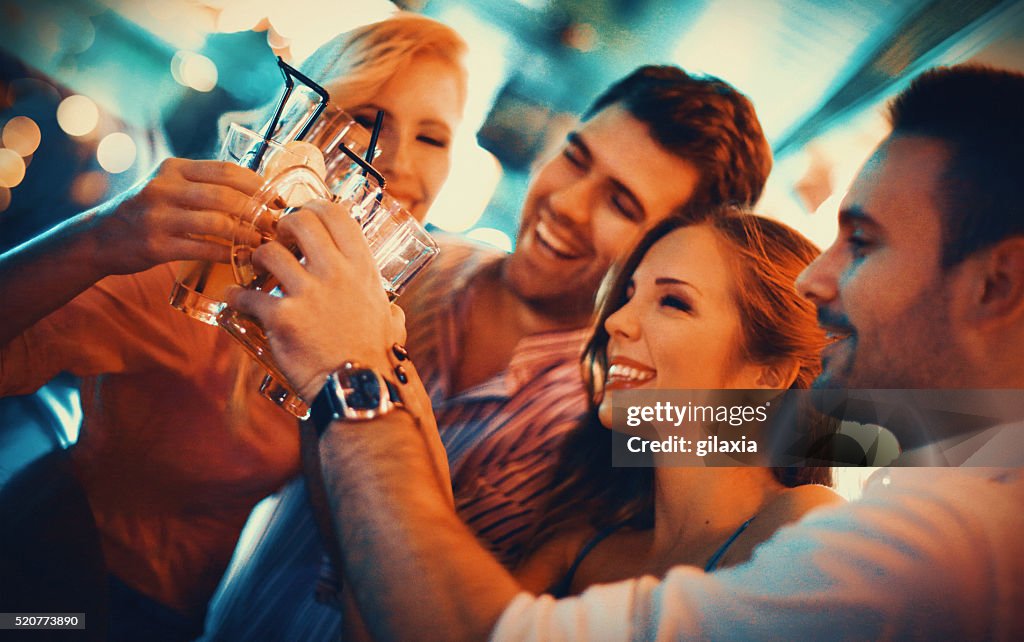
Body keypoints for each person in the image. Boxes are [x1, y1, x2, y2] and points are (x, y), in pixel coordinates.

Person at [227, 63, 1024, 640]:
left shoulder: (904, 546)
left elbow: (472, 628)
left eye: (863, 240)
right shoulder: (612, 488)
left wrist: (356, 376)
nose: (822, 277)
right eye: (576, 156)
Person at [206, 64, 775, 640]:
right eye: (576, 158)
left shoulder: (618, 427)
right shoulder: (406, 266)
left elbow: (852, 429)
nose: (568, 205)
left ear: (667, 248)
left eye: (621, 203)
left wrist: (346, 378)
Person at [0, 12, 468, 640]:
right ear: (310, 127)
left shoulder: (378, 315)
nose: (400, 163)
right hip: (62, 597)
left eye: (432, 138)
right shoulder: (192, 274)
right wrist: (101, 236)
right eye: (367, 120)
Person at [513, 212, 842, 597]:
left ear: (768, 375)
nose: (616, 321)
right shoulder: (577, 550)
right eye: (630, 294)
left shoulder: (803, 519)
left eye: (673, 301)